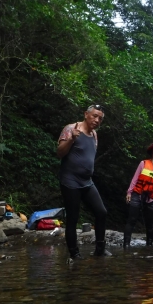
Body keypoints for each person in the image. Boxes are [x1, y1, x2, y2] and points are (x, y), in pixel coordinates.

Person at [57, 104, 110, 263]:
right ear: (86, 114)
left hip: (87, 182)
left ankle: (100, 249)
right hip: (70, 181)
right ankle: (74, 254)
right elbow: (59, 153)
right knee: (73, 218)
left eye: (100, 118)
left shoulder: (94, 135)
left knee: (101, 212)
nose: (97, 120)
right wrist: (72, 139)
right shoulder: (71, 128)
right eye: (94, 116)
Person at [125, 142, 153, 247]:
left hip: (152, 198)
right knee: (132, 220)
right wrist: (129, 192)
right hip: (137, 194)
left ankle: (149, 246)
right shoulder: (143, 163)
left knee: (149, 224)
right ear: (152, 152)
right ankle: (126, 245)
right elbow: (135, 178)